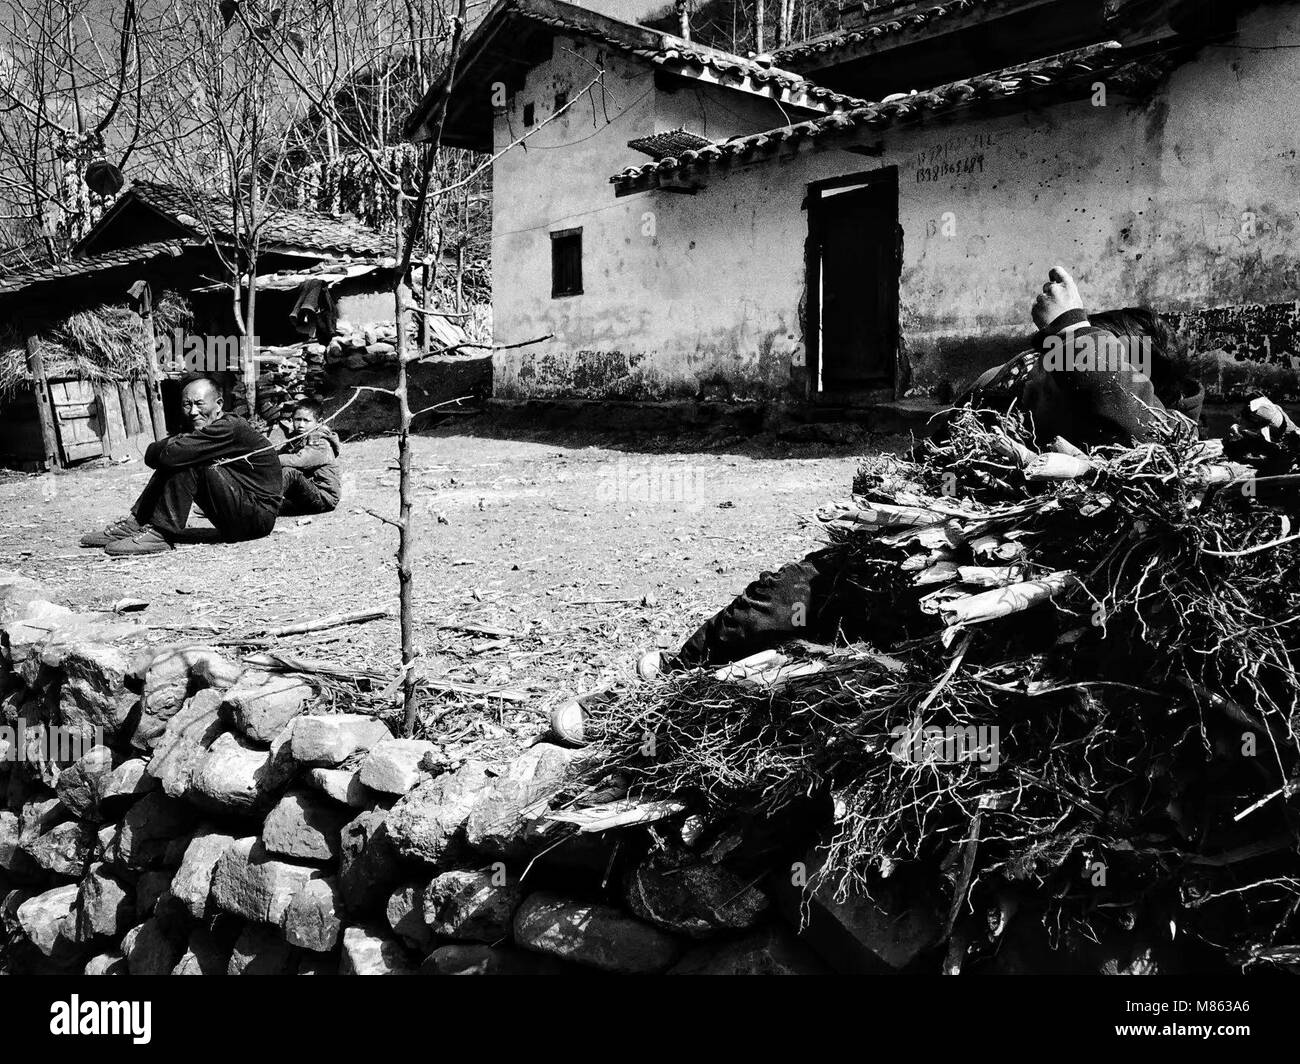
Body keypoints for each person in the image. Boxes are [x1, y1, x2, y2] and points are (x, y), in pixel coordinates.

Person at [550, 267, 1207, 741]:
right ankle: (668, 674)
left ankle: (653, 706)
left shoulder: (1152, 439)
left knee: (796, 669)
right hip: (916, 550)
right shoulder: (1052, 399)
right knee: (787, 593)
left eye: (1082, 359)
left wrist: (1071, 328)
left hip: (970, 595)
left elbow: (1138, 434)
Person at [81, 377, 283, 556]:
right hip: (238, 511)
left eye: (199, 404)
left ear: (219, 404)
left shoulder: (229, 427)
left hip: (256, 519)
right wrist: (181, 441)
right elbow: (151, 456)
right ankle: (136, 524)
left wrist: (179, 444)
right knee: (183, 454)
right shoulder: (205, 429)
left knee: (189, 458)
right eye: (187, 405)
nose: (193, 412)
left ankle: (162, 533)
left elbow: (168, 455)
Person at [276, 399, 342, 516]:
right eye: (297, 419)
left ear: (319, 422)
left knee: (289, 472)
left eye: (306, 420)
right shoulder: (298, 439)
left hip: (323, 497)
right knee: (274, 467)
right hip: (308, 493)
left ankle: (263, 507)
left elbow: (298, 460)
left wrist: (269, 459)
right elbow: (282, 454)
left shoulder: (321, 443)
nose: (301, 424)